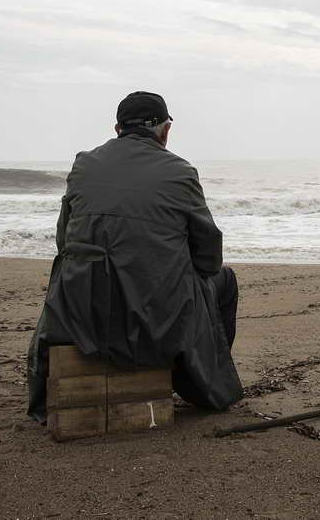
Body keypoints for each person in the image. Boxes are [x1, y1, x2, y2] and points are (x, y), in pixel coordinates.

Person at [26, 91, 243, 422]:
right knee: (224, 281)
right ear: (165, 130)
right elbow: (209, 253)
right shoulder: (180, 171)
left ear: (117, 129)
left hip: (80, 315)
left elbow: (64, 241)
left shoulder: (83, 164)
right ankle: (200, 384)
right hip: (156, 319)